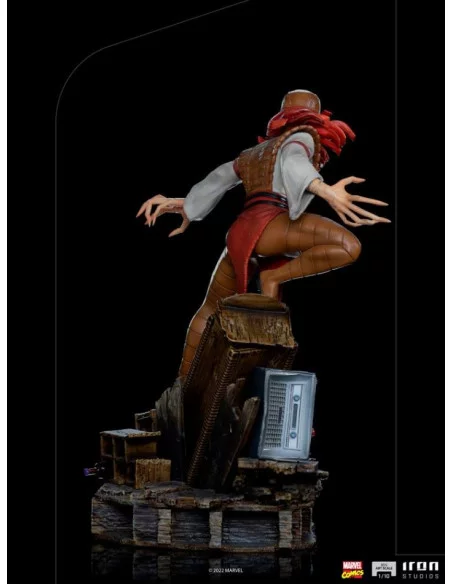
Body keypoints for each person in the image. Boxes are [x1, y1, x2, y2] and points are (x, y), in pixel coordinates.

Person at [137, 90, 390, 376]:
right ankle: (274, 277)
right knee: (348, 246)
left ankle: (183, 382)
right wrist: (326, 191)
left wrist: (186, 204)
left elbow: (220, 177)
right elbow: (293, 162)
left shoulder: (251, 154)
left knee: (209, 308)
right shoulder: (301, 137)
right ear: (312, 117)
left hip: (239, 233)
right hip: (271, 225)